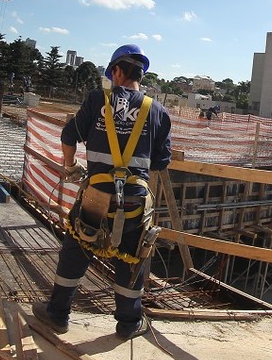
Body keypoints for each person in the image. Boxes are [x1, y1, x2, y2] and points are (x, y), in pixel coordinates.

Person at [34, 44, 172, 340]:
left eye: (112, 73)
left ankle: (58, 314)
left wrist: (70, 167)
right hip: (135, 200)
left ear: (118, 71)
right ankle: (128, 323)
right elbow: (161, 161)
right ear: (141, 73)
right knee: (131, 256)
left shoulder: (98, 100)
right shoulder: (157, 111)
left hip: (96, 195)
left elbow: (69, 135)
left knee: (78, 248)